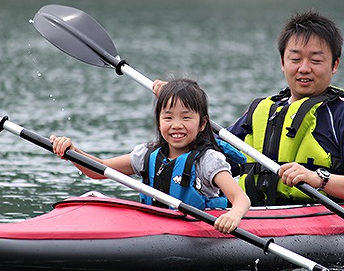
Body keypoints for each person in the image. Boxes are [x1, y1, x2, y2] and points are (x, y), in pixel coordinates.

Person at [50, 78, 250, 234]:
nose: (176, 125)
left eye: (186, 117)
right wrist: (73, 153)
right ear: (159, 120)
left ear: (203, 124)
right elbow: (100, 170)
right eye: (168, 117)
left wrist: (233, 215)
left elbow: (240, 198)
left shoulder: (208, 160)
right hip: (155, 228)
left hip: (197, 231)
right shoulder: (146, 154)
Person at [228, 10, 344, 205]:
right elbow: (212, 157)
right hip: (254, 217)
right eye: (295, 59)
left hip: (319, 221)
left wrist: (318, 179)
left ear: (334, 65)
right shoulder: (261, 112)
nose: (304, 68)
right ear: (282, 63)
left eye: (316, 60)